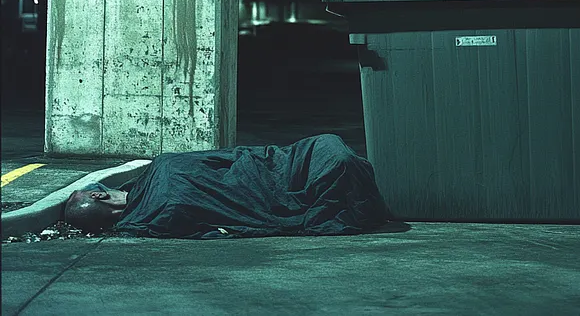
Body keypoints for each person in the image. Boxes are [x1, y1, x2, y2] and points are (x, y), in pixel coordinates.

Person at [63, 133, 392, 239]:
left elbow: (225, 225)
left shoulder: (154, 220)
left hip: (282, 171)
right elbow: (233, 157)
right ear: (99, 194)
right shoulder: (162, 172)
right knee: (332, 155)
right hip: (287, 171)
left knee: (334, 163)